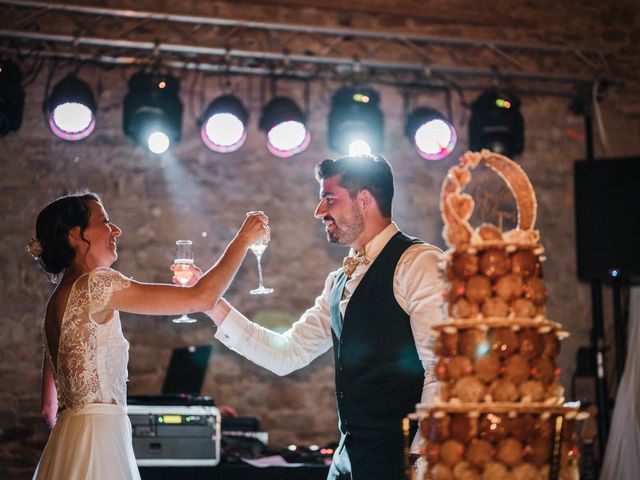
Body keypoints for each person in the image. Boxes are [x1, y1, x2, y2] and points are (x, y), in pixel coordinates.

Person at [207, 154, 445, 479]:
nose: (319, 212)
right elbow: (287, 353)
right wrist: (210, 304)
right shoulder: (338, 282)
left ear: (364, 201)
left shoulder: (419, 263)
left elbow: (442, 371)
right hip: (346, 465)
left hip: (401, 464)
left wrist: (423, 460)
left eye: (328, 199)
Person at [28, 192, 268, 480]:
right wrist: (242, 240)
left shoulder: (56, 302)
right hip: (99, 437)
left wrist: (76, 439)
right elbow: (202, 297)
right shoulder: (97, 283)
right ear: (77, 234)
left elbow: (48, 408)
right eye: (105, 221)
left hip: (67, 441)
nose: (116, 230)